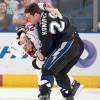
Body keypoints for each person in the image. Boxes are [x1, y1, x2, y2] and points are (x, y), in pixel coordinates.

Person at [24, 3, 84, 100]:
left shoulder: (43, 27)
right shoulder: (43, 11)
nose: (28, 20)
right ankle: (69, 95)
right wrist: (47, 8)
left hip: (69, 43)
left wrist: (37, 61)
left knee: (47, 68)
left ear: (35, 15)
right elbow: (41, 4)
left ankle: (44, 95)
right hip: (77, 43)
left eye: (29, 18)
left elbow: (47, 50)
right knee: (59, 72)